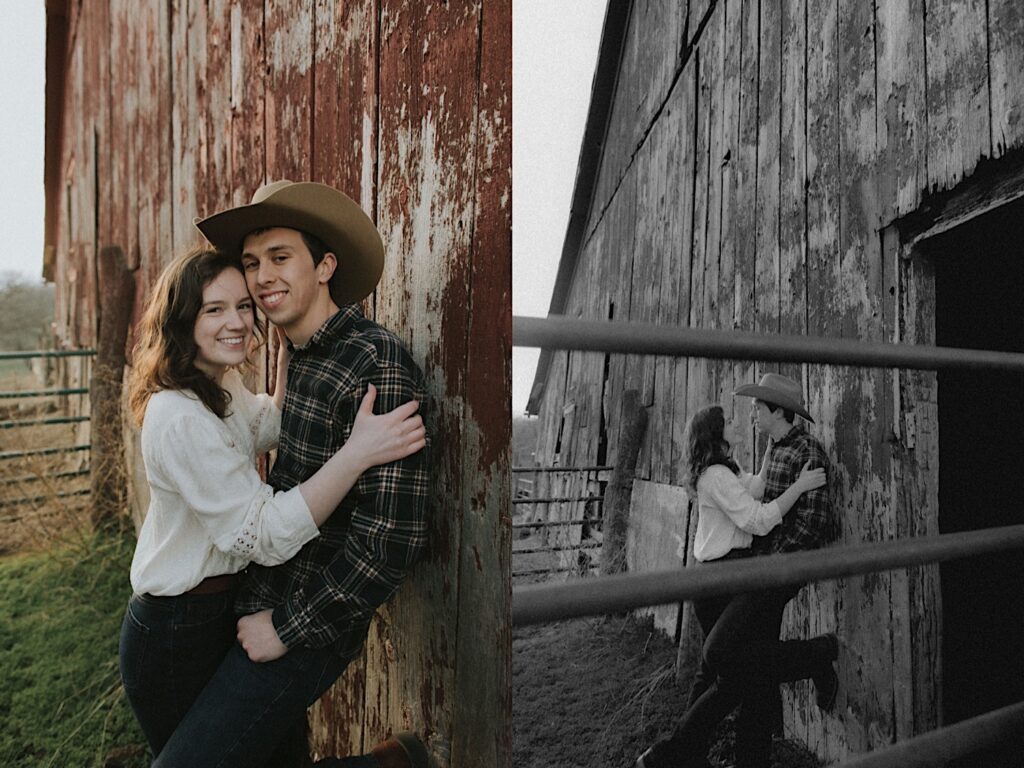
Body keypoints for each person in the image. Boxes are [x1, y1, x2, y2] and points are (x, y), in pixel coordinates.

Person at [150, 181, 432, 768]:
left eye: (280, 258)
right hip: (257, 605)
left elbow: (389, 542)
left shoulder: (374, 364)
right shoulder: (300, 358)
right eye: (252, 263)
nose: (261, 277)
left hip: (306, 623)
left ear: (325, 265)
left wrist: (287, 628)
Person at [637, 375, 839, 768]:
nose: (747, 416)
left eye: (757, 408)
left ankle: (680, 753)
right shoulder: (722, 472)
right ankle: (814, 656)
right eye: (733, 418)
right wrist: (788, 491)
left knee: (721, 660)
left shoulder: (801, 452)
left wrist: (771, 558)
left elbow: (809, 520)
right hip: (734, 571)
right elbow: (759, 509)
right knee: (736, 670)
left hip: (764, 570)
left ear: (777, 412)